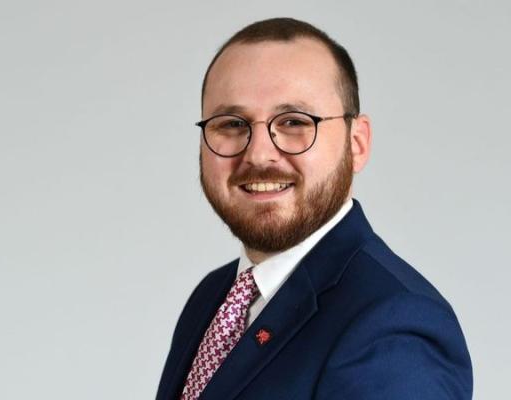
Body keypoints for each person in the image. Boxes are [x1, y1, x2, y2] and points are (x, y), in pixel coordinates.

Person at [156, 17, 472, 400]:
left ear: (357, 143)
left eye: (294, 121)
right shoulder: (212, 297)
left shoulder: (395, 329)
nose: (258, 153)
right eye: (232, 123)